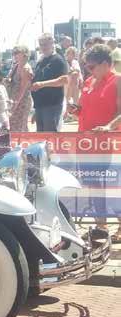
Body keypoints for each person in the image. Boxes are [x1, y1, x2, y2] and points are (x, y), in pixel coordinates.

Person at [67, 44, 121, 241]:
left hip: (106, 141)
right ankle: (101, 224)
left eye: (91, 66)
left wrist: (109, 126)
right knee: (93, 182)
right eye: (86, 66)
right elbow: (83, 108)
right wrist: (75, 109)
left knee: (113, 183)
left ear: (106, 63)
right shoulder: (89, 80)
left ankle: (115, 224)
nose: (88, 70)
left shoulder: (117, 81)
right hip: (86, 141)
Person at [30, 33, 69, 132]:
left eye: (46, 44)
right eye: (41, 44)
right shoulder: (40, 61)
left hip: (52, 105)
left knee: (50, 137)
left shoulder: (58, 60)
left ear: (52, 44)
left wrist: (42, 84)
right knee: (41, 138)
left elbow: (64, 79)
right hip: (40, 105)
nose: (43, 47)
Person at [7, 46, 34, 131]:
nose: (14, 55)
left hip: (22, 101)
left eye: (17, 53)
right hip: (13, 99)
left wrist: (15, 104)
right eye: (13, 53)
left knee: (21, 126)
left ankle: (24, 143)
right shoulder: (16, 66)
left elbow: (23, 89)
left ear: (24, 54)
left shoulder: (26, 68)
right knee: (13, 125)